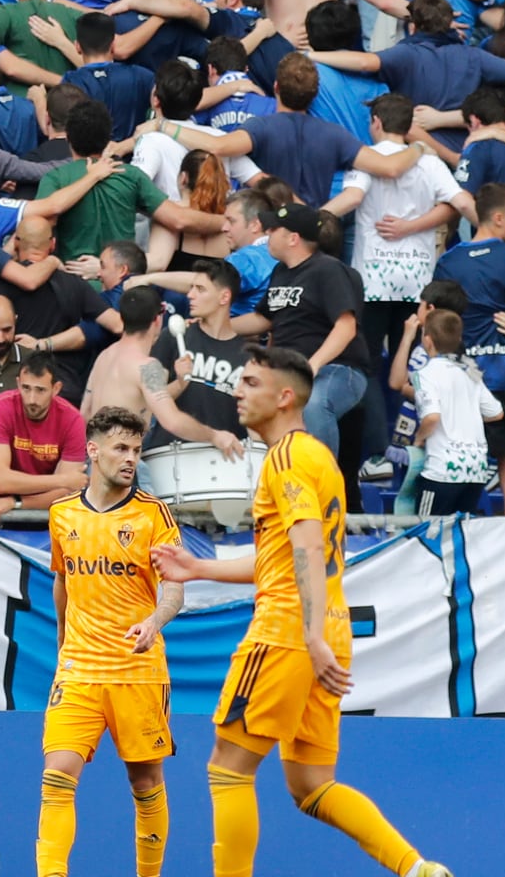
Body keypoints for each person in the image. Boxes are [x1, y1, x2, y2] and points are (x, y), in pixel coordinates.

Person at [157, 348, 450, 877]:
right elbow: (282, 557)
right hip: (328, 629)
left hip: (290, 630)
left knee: (228, 767)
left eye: (249, 382)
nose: (237, 391)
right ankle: (418, 870)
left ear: (284, 396)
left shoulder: (287, 458)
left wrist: (309, 634)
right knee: (312, 786)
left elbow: (308, 547)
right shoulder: (318, 458)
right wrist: (197, 570)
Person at [35, 405, 180, 877]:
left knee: (145, 783)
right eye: (120, 448)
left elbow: (175, 588)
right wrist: (62, 642)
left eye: (136, 450)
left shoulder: (153, 515)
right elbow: (63, 580)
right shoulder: (62, 514)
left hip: (137, 669)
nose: (130, 458)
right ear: (93, 451)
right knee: (57, 775)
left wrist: (154, 622)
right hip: (78, 668)